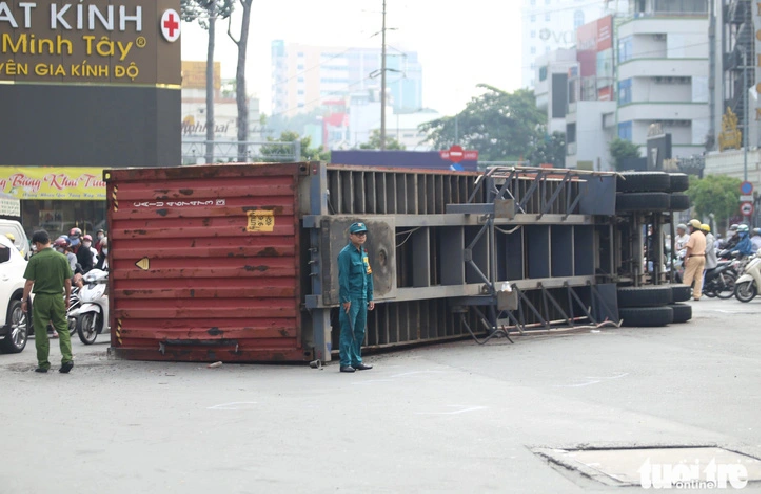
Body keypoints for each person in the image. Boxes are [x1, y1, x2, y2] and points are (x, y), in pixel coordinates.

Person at [22, 230, 74, 374]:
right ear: (49, 241)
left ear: (38, 244)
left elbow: (29, 283)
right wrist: (68, 298)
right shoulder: (62, 257)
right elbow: (68, 281)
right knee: (62, 328)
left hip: (42, 299)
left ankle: (43, 364)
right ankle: (67, 359)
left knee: (41, 331)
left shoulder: (35, 259)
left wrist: (24, 300)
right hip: (57, 297)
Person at [337, 222, 375, 373]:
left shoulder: (363, 253)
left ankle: (356, 360)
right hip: (351, 298)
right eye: (358, 234)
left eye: (363, 234)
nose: (361, 236)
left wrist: (370, 297)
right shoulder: (345, 254)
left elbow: (368, 275)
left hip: (362, 296)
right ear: (351, 236)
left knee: (359, 330)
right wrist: (345, 299)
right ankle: (345, 362)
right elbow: (343, 278)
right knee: (348, 330)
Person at [683, 219, 707, 301]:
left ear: (694, 227)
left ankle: (684, 294)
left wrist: (686, 258)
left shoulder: (693, 236)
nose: (689, 228)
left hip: (694, 257)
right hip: (702, 257)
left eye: (690, 227)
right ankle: (697, 295)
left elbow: (690, 248)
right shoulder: (703, 235)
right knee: (699, 278)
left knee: (688, 276)